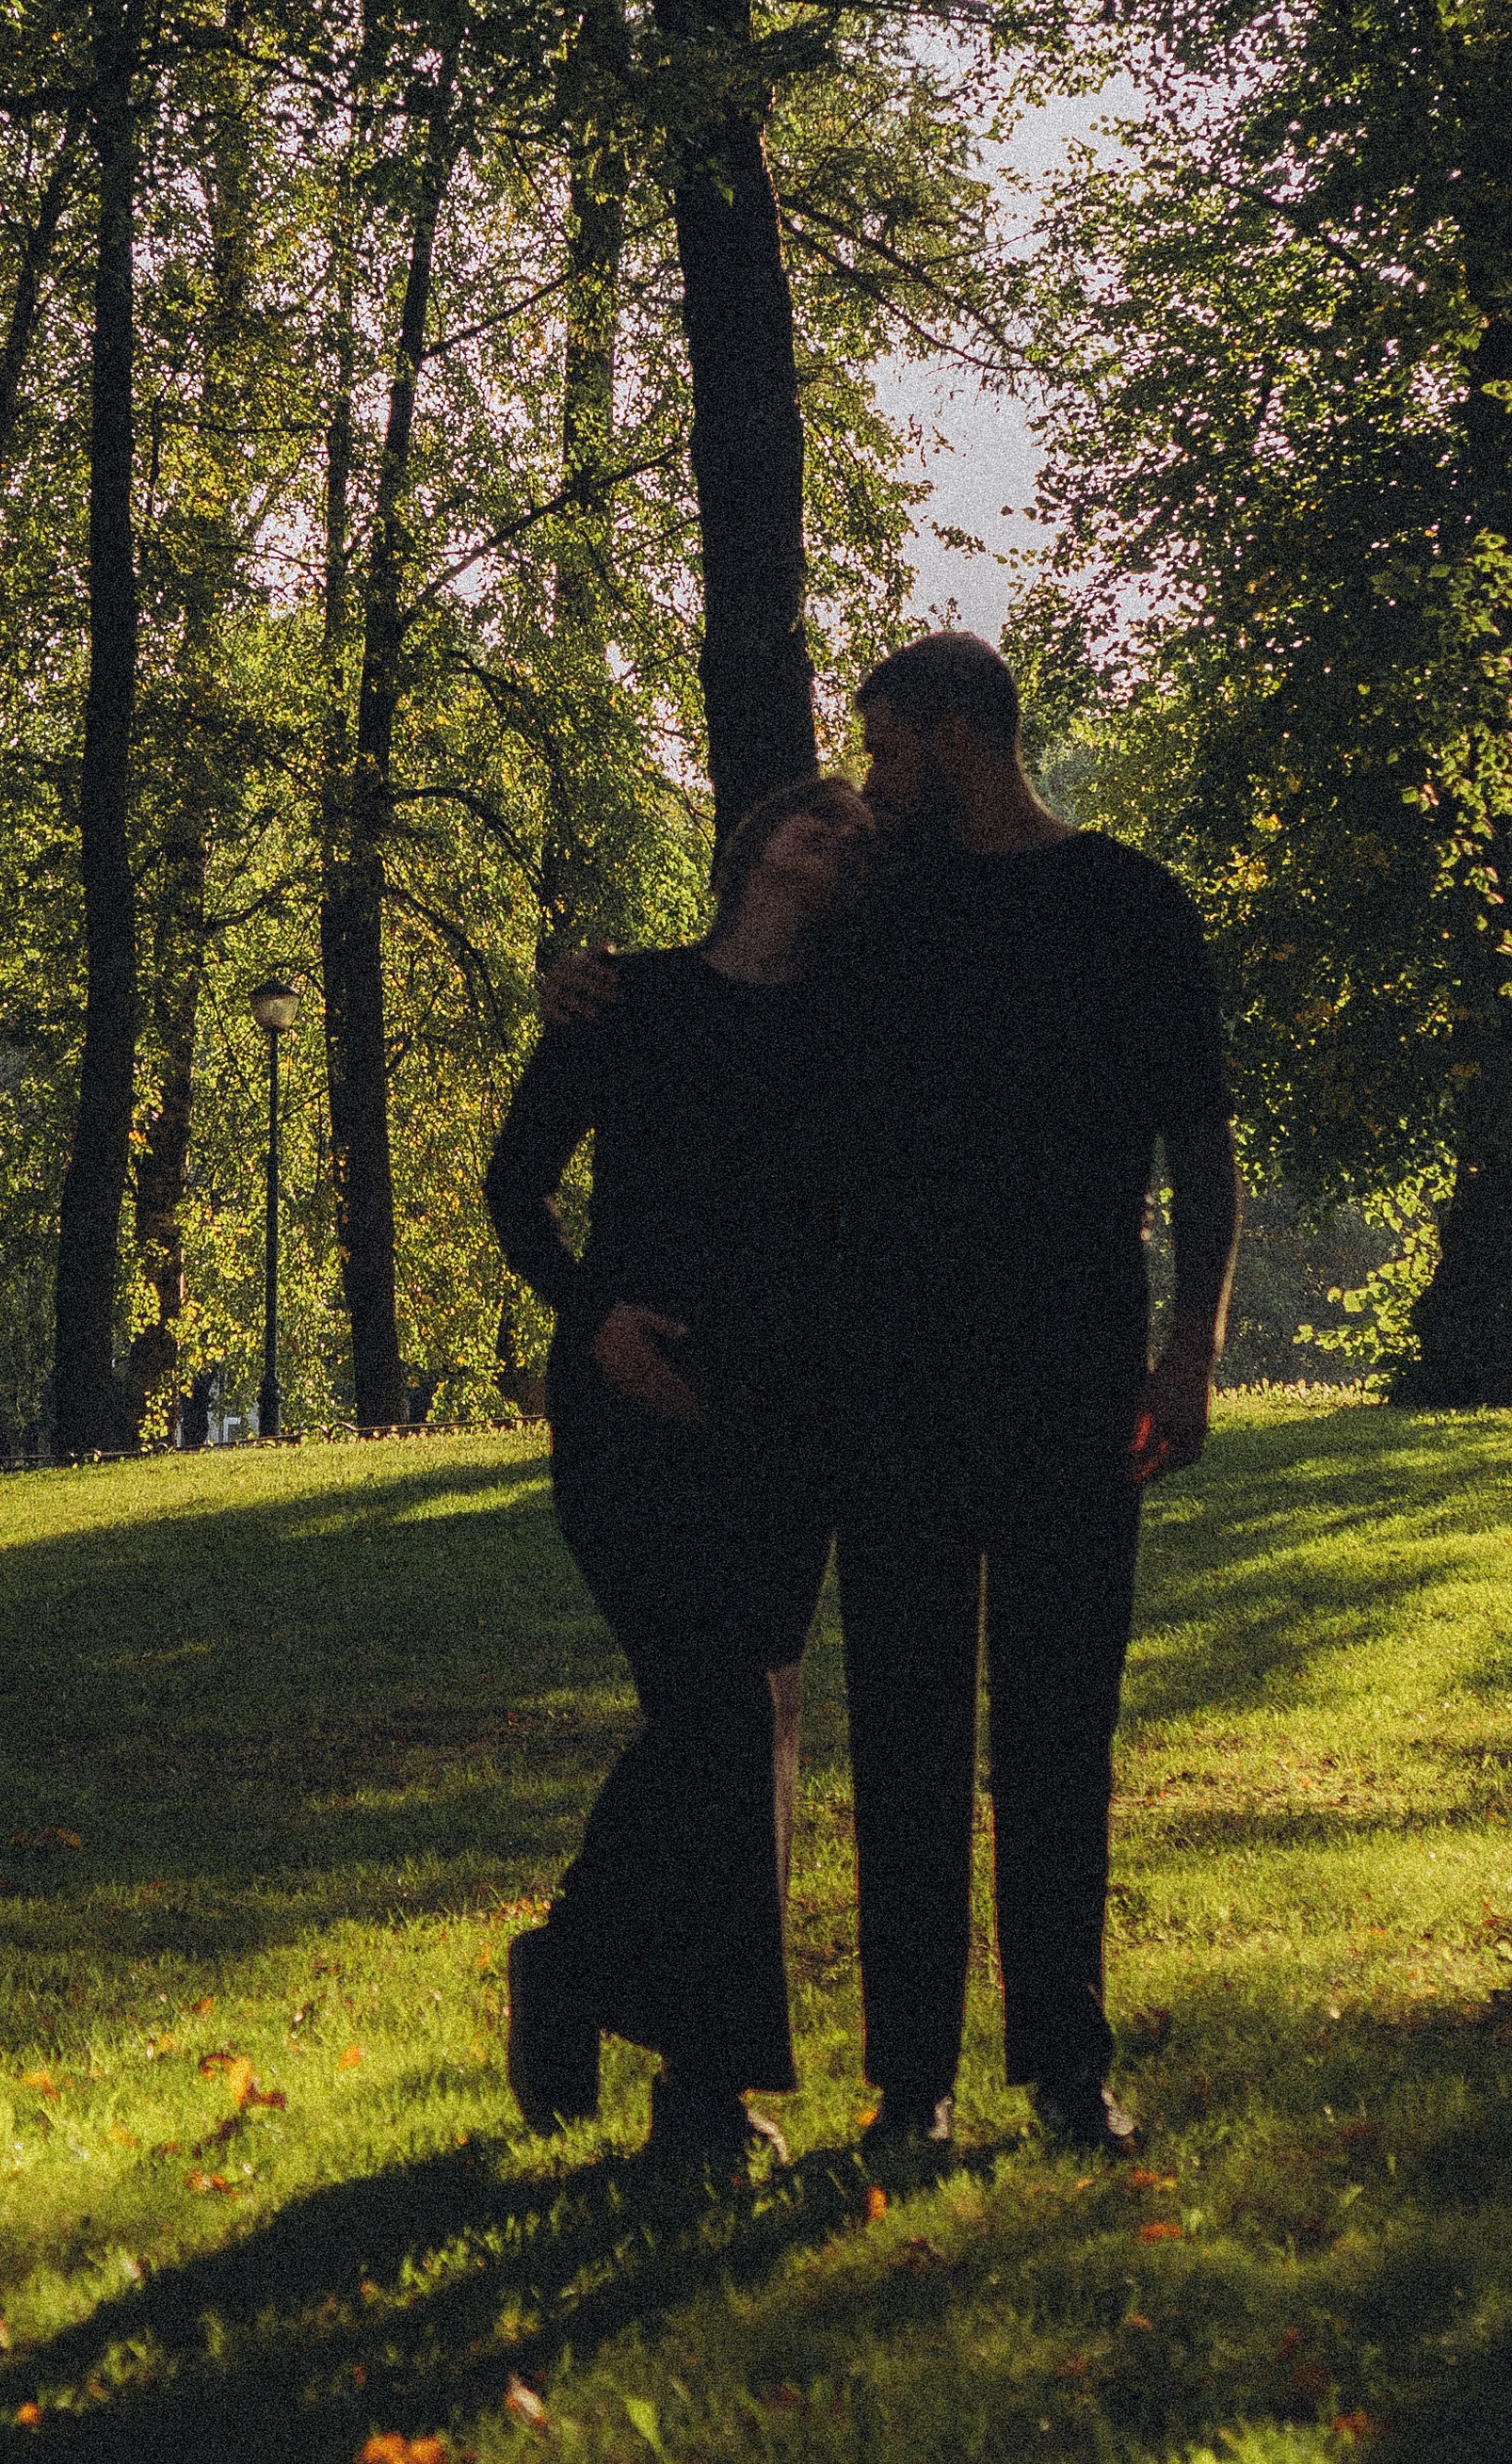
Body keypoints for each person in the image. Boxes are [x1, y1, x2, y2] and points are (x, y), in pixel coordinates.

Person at [831, 634, 1239, 2161]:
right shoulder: (877, 913)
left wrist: (1190, 1352)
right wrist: (588, 990)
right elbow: (730, 991)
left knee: (1062, 1729)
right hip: (893, 1383)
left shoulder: (1129, 906)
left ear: (953, 733)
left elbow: (1199, 1149)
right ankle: (911, 2086)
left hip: (1074, 1373)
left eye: (883, 750)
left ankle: (1068, 2067)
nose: (871, 782)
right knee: (909, 1737)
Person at [484, 772, 874, 2161]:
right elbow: (514, 1187)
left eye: (860, 832)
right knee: (713, 1715)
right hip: (630, 1408)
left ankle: (615, 2003)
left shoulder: (854, 1025)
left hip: (786, 1421)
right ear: (754, 846)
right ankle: (676, 2064)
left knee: (741, 1729)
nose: (841, 839)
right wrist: (592, 1321)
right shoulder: (624, 999)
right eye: (817, 818)